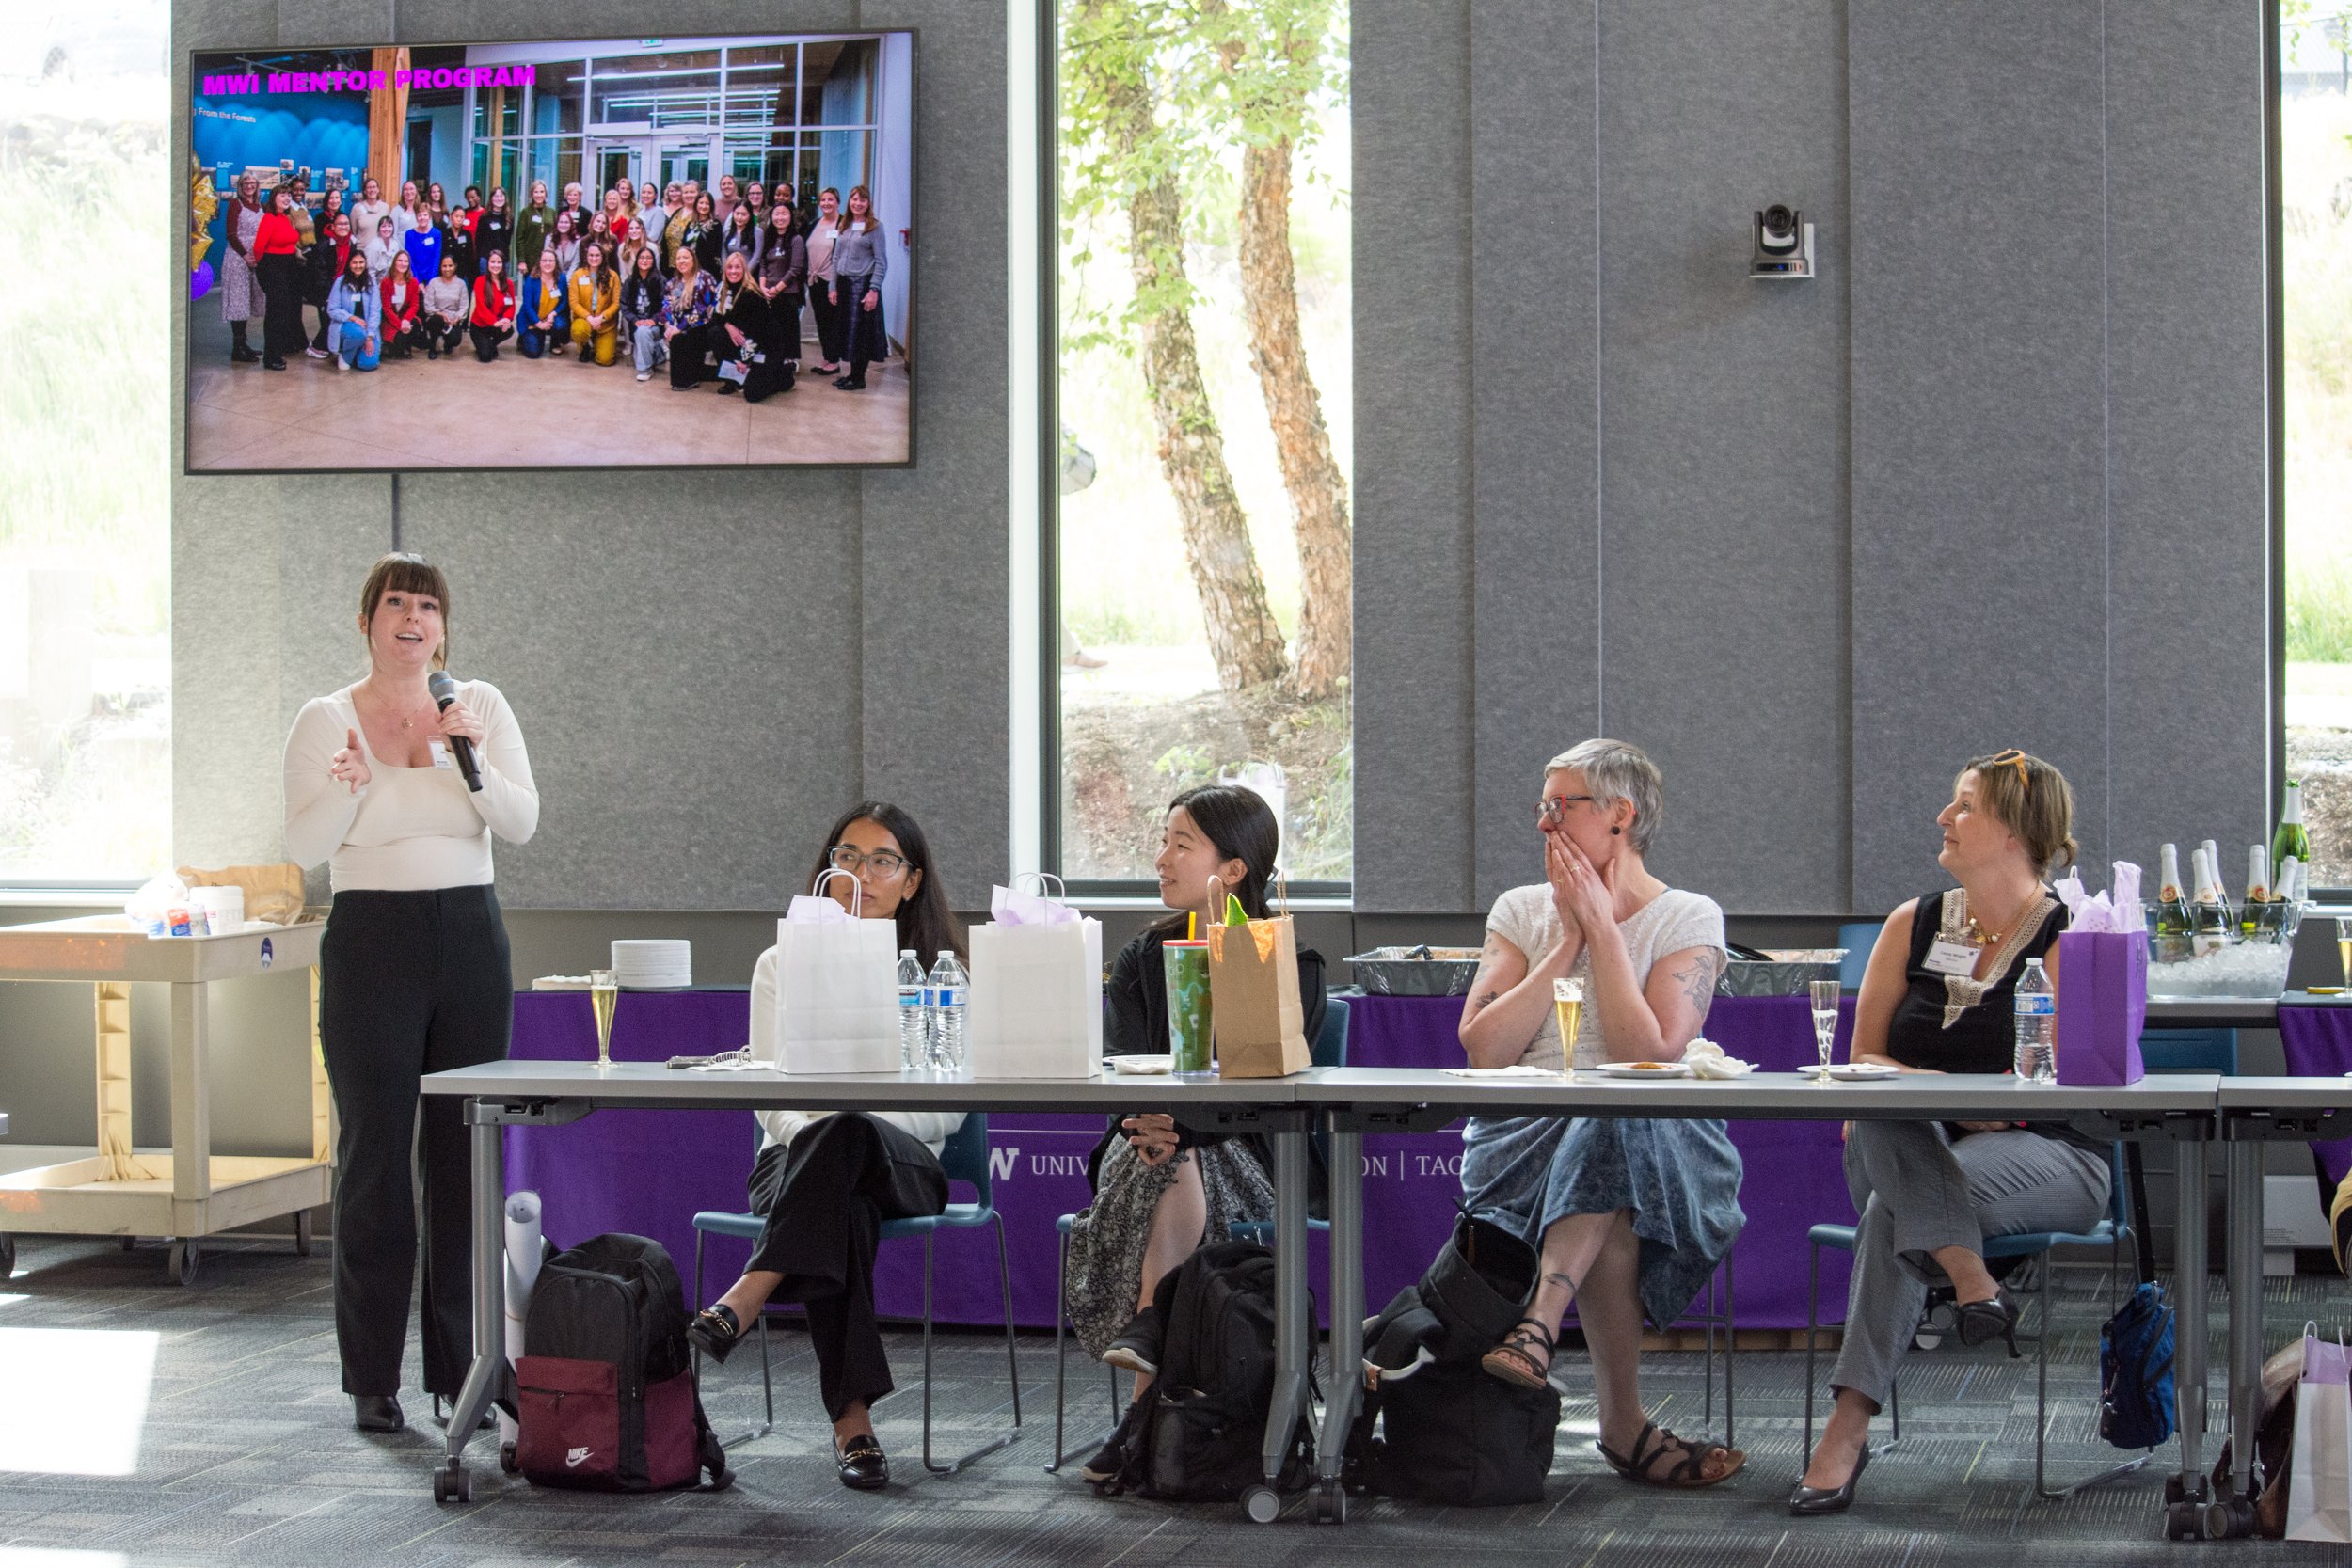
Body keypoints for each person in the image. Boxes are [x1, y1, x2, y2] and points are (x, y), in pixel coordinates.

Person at [1789, 750, 2100, 1517]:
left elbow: (2054, 1084)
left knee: (1888, 1211)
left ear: (2014, 831)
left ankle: (1844, 1430)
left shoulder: (2070, 934)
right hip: (1905, 1144)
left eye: (1963, 806)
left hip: (2050, 1153)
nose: (1944, 818)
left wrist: (1936, 1091)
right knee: (1883, 1113)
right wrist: (1957, 1098)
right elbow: (1864, 1061)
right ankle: (1973, 1281)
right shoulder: (1912, 922)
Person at [281, 552, 538, 1433]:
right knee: (377, 1159)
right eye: (395, 603)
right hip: (370, 944)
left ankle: (463, 1366)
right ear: (367, 621)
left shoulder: (483, 706)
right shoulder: (326, 718)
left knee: (464, 1154)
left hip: (468, 935)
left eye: (427, 606)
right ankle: (372, 1377)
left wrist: (467, 753)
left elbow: (521, 819)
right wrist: (348, 788)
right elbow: (304, 841)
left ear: (444, 627)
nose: (412, 617)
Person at [1454, 738, 1746, 1490]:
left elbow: (1648, 1049)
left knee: (1611, 1109)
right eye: (1542, 806)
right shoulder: (1521, 910)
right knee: (1603, 1164)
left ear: (1621, 815)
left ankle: (1541, 1322)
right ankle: (1624, 1426)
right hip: (1525, 1134)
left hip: (1661, 1137)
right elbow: (1485, 1049)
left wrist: (1608, 932)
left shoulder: (1689, 915)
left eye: (1564, 806)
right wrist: (1569, 939)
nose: (1544, 823)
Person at [684, 802, 966, 1492]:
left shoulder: (940, 969)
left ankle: (752, 1289)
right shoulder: (781, 962)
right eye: (847, 856)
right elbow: (769, 1093)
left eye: (881, 860)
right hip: (794, 1160)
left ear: (912, 880)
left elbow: (948, 1112)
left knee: (849, 1134)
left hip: (905, 1158)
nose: (860, 874)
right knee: (843, 1198)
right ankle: (853, 1422)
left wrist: (854, 1130)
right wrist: (828, 1137)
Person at [1064, 784, 1328, 1480]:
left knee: (1173, 1159)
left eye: (1182, 844)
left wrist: (1175, 1123)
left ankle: (1142, 1404)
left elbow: (1273, 1092)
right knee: (1164, 1159)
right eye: (1164, 840)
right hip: (1146, 1143)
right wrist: (1150, 1121)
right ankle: (1150, 1396)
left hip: (1250, 1154)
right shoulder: (1141, 958)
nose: (1161, 858)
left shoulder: (1287, 961)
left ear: (1234, 868)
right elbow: (1121, 1070)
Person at [709, 252, 790, 401]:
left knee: (752, 394)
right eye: (730, 267)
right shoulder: (722, 289)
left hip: (764, 347)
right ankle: (731, 380)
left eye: (737, 267)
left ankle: (782, 374)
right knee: (716, 332)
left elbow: (758, 333)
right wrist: (728, 326)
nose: (733, 271)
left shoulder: (752, 294)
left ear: (744, 270)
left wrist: (744, 360)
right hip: (742, 341)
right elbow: (715, 316)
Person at [830, 185, 888, 391]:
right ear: (849, 202)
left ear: (868, 203)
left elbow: (881, 261)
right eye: (854, 200)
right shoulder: (845, 225)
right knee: (848, 332)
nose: (858, 203)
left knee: (861, 334)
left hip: (863, 285)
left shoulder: (875, 227)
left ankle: (859, 378)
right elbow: (836, 257)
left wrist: (874, 290)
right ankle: (851, 374)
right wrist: (832, 286)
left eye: (862, 200)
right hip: (844, 284)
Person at [250, 185, 306, 372]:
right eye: (282, 194)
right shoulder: (269, 218)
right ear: (273, 198)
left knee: (285, 312)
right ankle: (271, 357)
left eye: (289, 195)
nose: (287, 197)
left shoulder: (284, 218)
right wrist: (263, 267)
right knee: (276, 313)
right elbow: (259, 248)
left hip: (288, 266)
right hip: (273, 267)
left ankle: (280, 350)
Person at [220, 171, 266, 363]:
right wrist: (245, 255)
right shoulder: (235, 204)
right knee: (238, 301)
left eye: (252, 182)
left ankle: (243, 344)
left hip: (255, 259)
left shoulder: (259, 206)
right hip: (238, 258)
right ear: (240, 185)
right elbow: (230, 233)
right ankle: (237, 348)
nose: (249, 186)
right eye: (245, 182)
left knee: (247, 301)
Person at [755, 200, 806, 367]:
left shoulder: (796, 239)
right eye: (777, 214)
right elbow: (763, 264)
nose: (780, 217)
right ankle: (772, 357)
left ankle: (790, 360)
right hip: (767, 291)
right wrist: (762, 286)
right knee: (770, 327)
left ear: (791, 217)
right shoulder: (768, 238)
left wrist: (777, 288)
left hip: (787, 292)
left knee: (788, 327)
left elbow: (795, 269)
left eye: (784, 214)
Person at [662, 247, 718, 389]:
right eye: (679, 258)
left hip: (701, 326)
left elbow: (702, 310)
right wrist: (669, 325)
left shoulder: (704, 278)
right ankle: (683, 379)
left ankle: (687, 381)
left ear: (693, 260)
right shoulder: (673, 282)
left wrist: (679, 328)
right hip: (678, 326)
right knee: (676, 337)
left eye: (685, 257)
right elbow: (666, 305)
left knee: (681, 337)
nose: (682, 261)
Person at [304, 211, 356, 359]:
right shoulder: (323, 245)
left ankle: (331, 345)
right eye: (340, 224)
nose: (343, 227)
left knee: (338, 318)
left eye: (346, 224)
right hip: (325, 288)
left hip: (342, 287)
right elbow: (320, 273)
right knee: (328, 319)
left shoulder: (352, 243)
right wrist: (327, 295)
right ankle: (316, 347)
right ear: (332, 226)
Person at [803, 186, 844, 374]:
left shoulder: (843, 224)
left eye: (830, 200)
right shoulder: (815, 223)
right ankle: (828, 357)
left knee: (834, 322)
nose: (826, 203)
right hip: (814, 281)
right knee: (821, 321)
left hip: (832, 282)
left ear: (838, 202)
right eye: (823, 200)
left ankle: (834, 361)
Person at [325, 246, 382, 372]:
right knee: (357, 334)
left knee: (369, 365)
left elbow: (375, 311)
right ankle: (346, 356)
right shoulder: (340, 282)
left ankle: (357, 351)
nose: (358, 266)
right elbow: (332, 309)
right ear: (349, 264)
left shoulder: (372, 283)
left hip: (367, 327)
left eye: (361, 262)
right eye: (354, 263)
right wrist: (353, 318)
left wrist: (370, 337)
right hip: (347, 324)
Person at [567, 239, 620, 368]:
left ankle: (597, 343)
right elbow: (574, 302)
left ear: (603, 257)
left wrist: (601, 318)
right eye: (591, 255)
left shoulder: (613, 276)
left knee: (605, 360)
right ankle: (585, 346)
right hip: (584, 319)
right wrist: (590, 318)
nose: (594, 258)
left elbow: (616, 303)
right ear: (586, 256)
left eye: (597, 255)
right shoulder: (577, 275)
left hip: (605, 323)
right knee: (579, 331)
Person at [620, 244, 668, 383]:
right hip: (637, 325)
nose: (645, 261)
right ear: (637, 261)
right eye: (642, 258)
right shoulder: (630, 281)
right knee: (641, 335)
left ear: (653, 260)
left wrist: (654, 320)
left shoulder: (661, 281)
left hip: (655, 326)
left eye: (648, 258)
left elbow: (666, 306)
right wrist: (635, 320)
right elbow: (624, 306)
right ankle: (658, 352)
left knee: (643, 334)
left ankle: (645, 370)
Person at [516, 247, 568, 359]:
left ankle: (554, 341)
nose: (548, 263)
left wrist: (553, 313)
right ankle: (524, 337)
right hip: (533, 320)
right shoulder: (531, 279)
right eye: (544, 261)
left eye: (551, 261)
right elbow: (527, 306)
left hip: (550, 318)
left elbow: (564, 301)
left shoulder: (561, 279)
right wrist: (539, 323)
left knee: (561, 325)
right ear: (539, 262)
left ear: (556, 263)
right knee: (533, 354)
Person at [468, 249, 518, 361]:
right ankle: (486, 346)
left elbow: (511, 306)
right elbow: (481, 307)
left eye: (499, 262)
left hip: (497, 324)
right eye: (493, 262)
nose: (496, 265)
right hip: (480, 326)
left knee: (509, 330)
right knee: (486, 358)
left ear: (503, 264)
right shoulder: (480, 281)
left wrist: (506, 319)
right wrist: (495, 322)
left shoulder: (508, 283)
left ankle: (489, 345)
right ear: (488, 264)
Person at [421, 254, 470, 360]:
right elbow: (428, 306)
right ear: (440, 267)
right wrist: (441, 314)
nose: (447, 269)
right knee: (436, 321)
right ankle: (433, 346)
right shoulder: (433, 283)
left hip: (453, 319)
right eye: (444, 266)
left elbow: (464, 306)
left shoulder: (461, 284)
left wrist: (456, 318)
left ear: (455, 266)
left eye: (450, 266)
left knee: (455, 339)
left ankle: (448, 343)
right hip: (436, 317)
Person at [379, 248, 422, 358]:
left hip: (404, 317)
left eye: (406, 261)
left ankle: (406, 346)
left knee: (416, 324)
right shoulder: (386, 282)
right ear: (394, 262)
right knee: (397, 345)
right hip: (390, 320)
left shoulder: (413, 282)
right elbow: (387, 308)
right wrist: (400, 325)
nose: (403, 264)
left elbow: (415, 305)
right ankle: (391, 345)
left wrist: (406, 320)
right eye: (400, 260)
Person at [402, 203, 445, 293]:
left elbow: (436, 258)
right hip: (414, 276)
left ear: (429, 217)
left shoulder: (436, 234)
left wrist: (430, 282)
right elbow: (410, 259)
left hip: (432, 278)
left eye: (425, 215)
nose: (422, 218)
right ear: (416, 217)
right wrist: (418, 282)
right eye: (420, 215)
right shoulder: (409, 234)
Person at [514, 179, 553, 276]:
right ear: (532, 194)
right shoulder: (526, 212)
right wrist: (521, 260)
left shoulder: (552, 212)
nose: (539, 195)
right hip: (530, 259)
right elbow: (520, 239)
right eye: (536, 192)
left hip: (547, 259)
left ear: (546, 194)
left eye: (541, 192)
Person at [474, 187, 513, 284]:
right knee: (487, 288)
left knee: (501, 288)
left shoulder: (509, 217)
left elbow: (508, 240)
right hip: (486, 259)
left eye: (501, 196)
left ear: (505, 198)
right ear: (491, 198)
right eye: (496, 196)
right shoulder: (484, 217)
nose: (499, 199)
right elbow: (478, 239)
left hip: (503, 260)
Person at [680, 191, 722, 279]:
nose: (703, 206)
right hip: (689, 268)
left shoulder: (715, 225)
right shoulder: (690, 224)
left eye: (707, 204)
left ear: (711, 206)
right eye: (701, 203)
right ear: (696, 204)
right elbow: (683, 246)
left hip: (708, 269)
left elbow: (716, 249)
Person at [719, 198, 763, 277]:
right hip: (730, 275)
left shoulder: (757, 232)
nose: (739, 217)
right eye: (737, 213)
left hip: (749, 276)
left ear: (750, 215)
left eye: (743, 214)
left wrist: (744, 274)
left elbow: (756, 257)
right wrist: (727, 271)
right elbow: (724, 254)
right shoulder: (727, 232)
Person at [349, 176, 390, 245]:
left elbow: (388, 229)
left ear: (378, 190)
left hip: (379, 250)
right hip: (362, 250)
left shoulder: (385, 207)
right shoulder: (356, 208)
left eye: (374, 187)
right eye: (369, 188)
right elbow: (353, 231)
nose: (372, 190)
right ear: (365, 191)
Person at [364, 214, 402, 289]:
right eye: (383, 226)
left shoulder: (395, 244)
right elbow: (370, 272)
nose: (387, 229)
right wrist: (375, 291)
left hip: (390, 284)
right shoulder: (373, 247)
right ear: (379, 229)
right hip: (375, 285)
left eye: (389, 226)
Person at [549, 209, 580, 278]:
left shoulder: (577, 241)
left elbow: (574, 265)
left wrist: (565, 282)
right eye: (561, 222)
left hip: (571, 278)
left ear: (571, 225)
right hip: (553, 277)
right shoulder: (550, 239)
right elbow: (547, 261)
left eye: (566, 222)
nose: (563, 225)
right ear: (557, 224)